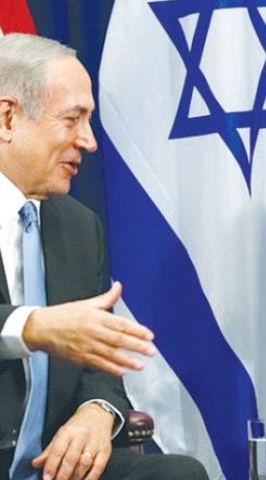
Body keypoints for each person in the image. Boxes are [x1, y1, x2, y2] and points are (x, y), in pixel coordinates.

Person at [0, 34, 207, 480]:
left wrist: (97, 412)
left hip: (51, 468)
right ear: (8, 118)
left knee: (177, 474)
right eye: (72, 119)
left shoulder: (77, 227)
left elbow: (101, 369)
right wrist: (32, 327)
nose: (89, 142)